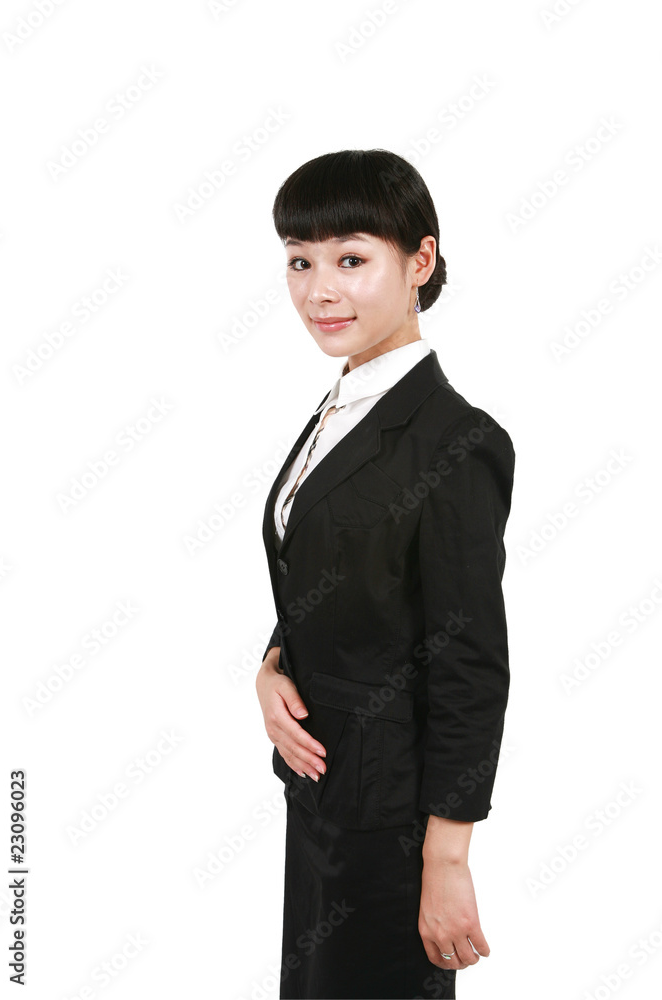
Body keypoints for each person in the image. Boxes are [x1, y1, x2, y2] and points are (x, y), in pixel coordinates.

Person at [256, 148, 515, 1000]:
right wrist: (270, 668)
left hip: (391, 825)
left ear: (421, 262)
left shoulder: (453, 441)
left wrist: (446, 859)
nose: (318, 289)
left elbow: (469, 662)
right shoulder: (344, 404)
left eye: (351, 259)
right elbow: (330, 567)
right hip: (321, 796)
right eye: (300, 260)